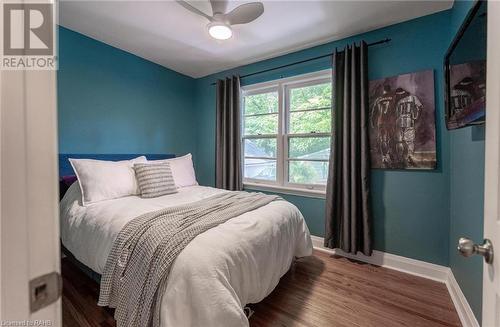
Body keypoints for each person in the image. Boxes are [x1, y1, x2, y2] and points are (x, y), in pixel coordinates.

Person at [394, 87, 423, 166]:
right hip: (408, 120)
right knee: (409, 141)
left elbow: (396, 114)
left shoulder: (399, 101)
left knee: (400, 140)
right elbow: (420, 107)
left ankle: (401, 158)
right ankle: (409, 156)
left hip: (399, 121)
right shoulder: (413, 98)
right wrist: (417, 117)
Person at [370, 85, 396, 168]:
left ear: (383, 91)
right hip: (390, 122)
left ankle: (384, 157)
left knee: (382, 139)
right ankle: (390, 154)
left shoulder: (378, 99)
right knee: (391, 138)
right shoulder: (393, 97)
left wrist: (372, 123)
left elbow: (373, 113)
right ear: (390, 90)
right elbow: (396, 110)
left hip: (381, 122)